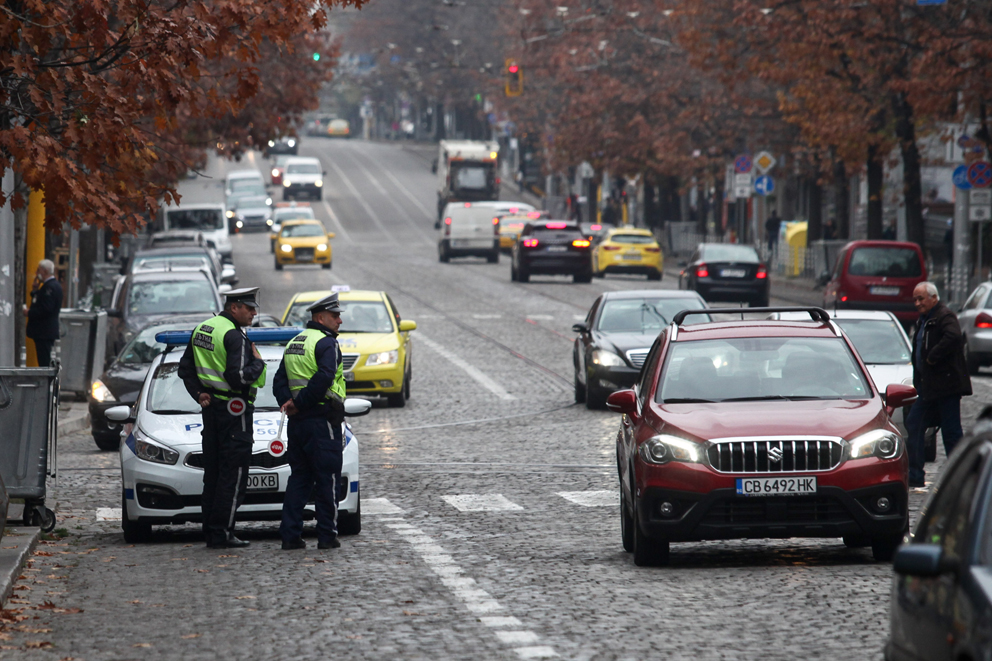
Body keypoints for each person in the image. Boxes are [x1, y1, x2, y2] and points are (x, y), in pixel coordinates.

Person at [177, 287, 267, 548]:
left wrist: (199, 393)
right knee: (234, 474)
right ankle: (222, 533)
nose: (253, 312)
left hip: (212, 410)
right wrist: (259, 363)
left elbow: (185, 369)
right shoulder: (233, 335)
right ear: (234, 307)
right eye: (249, 308)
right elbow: (237, 377)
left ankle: (210, 530)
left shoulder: (203, 328)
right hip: (233, 411)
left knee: (214, 474)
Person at [274, 293, 346, 551]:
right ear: (320, 318)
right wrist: (301, 403)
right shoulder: (326, 343)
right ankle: (327, 536)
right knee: (327, 479)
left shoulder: (295, 341)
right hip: (321, 420)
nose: (339, 320)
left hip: (297, 424)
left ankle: (290, 537)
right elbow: (324, 378)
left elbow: (279, 381)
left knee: (300, 479)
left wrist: (288, 403)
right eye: (335, 316)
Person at [905, 282, 972, 488]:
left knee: (951, 433)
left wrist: (933, 357)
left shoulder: (944, 315)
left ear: (934, 298)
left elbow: (953, 337)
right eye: (915, 299)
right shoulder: (924, 320)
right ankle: (915, 474)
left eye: (921, 299)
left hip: (945, 387)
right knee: (914, 425)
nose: (917, 303)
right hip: (928, 388)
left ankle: (961, 477)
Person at [25, 259, 62, 368]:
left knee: (45, 362)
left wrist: (29, 312)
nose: (36, 273)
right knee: (44, 360)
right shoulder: (49, 286)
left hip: (44, 331)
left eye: (38, 270)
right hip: (44, 332)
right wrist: (35, 291)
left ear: (45, 271)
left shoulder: (49, 287)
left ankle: (48, 383)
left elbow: (46, 309)